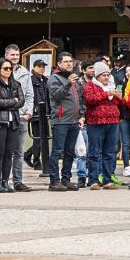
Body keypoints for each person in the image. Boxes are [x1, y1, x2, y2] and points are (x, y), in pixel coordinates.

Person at [46, 53, 84, 191]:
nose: (69, 64)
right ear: (59, 64)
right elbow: (56, 96)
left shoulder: (73, 79)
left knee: (70, 152)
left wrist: (81, 115)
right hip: (60, 121)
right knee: (57, 151)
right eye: (66, 61)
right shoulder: (54, 78)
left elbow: (79, 99)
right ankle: (54, 181)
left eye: (70, 61)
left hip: (73, 120)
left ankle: (66, 180)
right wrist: (68, 83)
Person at [0, 57, 25, 193]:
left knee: (9, 153)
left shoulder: (16, 84)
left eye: (10, 68)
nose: (9, 71)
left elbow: (21, 102)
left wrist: (10, 102)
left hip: (13, 122)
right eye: (5, 68)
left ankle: (5, 181)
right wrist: (12, 101)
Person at [83, 61, 123, 190]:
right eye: (103, 75)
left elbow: (120, 103)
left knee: (110, 152)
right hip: (96, 122)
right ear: (97, 76)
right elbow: (90, 100)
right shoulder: (90, 86)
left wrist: (118, 97)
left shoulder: (112, 86)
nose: (106, 77)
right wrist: (107, 94)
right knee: (95, 152)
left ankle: (107, 179)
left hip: (112, 122)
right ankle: (93, 180)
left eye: (107, 74)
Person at [0, 45, 33, 192]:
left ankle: (18, 182)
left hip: (21, 117)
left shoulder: (25, 73)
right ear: (6, 55)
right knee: (3, 151)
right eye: (12, 55)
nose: (15, 57)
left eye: (17, 55)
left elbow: (30, 95)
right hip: (4, 117)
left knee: (19, 151)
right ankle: (2, 181)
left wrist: (29, 113)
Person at [24, 59, 50, 176]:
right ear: (34, 67)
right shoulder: (31, 80)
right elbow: (28, 95)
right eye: (39, 66)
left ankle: (28, 155)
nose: (42, 68)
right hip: (36, 112)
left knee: (42, 137)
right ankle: (36, 161)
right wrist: (33, 107)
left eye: (43, 66)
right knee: (38, 137)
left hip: (44, 112)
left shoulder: (45, 80)